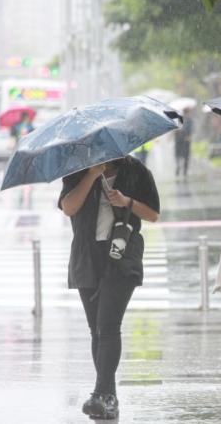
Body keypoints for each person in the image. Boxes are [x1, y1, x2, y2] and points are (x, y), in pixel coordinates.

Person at [58, 156, 160, 420]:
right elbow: (69, 207)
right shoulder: (77, 170)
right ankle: (108, 396)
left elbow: (153, 214)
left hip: (122, 256)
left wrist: (127, 202)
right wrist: (91, 175)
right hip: (87, 255)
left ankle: (100, 393)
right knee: (96, 329)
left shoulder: (136, 170)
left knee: (108, 324)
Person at [174, 107, 194, 177]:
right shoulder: (189, 120)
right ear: (188, 112)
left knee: (178, 155)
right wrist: (189, 136)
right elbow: (191, 130)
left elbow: (175, 129)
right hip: (185, 140)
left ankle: (179, 167)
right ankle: (183, 169)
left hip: (179, 140)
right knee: (185, 155)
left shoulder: (179, 119)